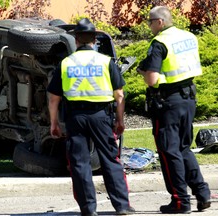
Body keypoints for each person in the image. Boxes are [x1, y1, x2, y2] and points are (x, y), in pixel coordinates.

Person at [47, 18, 135, 216]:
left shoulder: (65, 63)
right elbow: (119, 94)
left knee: (79, 163)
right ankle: (121, 205)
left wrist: (54, 123)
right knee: (111, 159)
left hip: (75, 118)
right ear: (94, 40)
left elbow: (54, 98)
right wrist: (120, 120)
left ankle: (88, 209)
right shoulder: (105, 61)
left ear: (76, 40)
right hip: (101, 117)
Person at [137, 6, 211, 214]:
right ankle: (202, 193)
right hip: (189, 98)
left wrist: (143, 72)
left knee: (169, 151)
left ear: (159, 22)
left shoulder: (159, 42)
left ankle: (180, 201)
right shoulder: (188, 36)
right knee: (184, 148)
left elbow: (152, 80)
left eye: (150, 21)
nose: (149, 25)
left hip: (168, 101)